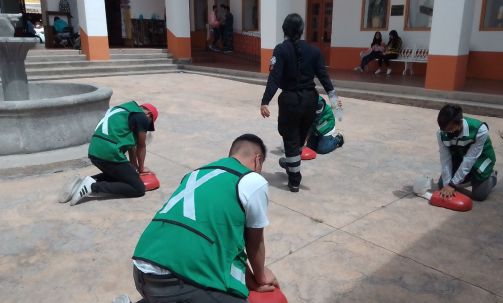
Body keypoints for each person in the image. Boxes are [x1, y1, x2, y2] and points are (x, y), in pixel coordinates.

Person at [131, 134, 279, 303]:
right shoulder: (252, 180)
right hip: (176, 281)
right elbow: (255, 242)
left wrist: (246, 275)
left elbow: (221, 243)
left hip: (142, 268)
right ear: (257, 159)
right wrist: (261, 277)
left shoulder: (196, 174)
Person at [260, 13, 340, 192]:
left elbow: (274, 78)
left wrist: (265, 101)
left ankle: (294, 180)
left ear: (284, 31)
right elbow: (324, 78)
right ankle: (291, 165)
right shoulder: (314, 51)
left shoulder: (280, 50)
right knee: (298, 140)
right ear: (302, 30)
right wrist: (334, 99)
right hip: (310, 100)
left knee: (290, 140)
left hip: (290, 101)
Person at [58, 101, 158, 206]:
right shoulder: (141, 117)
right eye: (148, 125)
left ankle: (84, 182)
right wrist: (141, 169)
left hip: (94, 152)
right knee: (138, 188)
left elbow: (132, 147)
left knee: (125, 174)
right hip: (109, 153)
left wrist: (135, 168)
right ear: (149, 115)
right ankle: (92, 187)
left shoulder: (124, 110)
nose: (145, 129)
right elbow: (141, 146)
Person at [437, 104, 497, 201]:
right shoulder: (441, 133)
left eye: (451, 129)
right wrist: (447, 184)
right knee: (441, 185)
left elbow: (470, 158)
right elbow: (445, 158)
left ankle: (492, 176)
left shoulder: (480, 130)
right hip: (460, 157)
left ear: (460, 123)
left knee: (479, 195)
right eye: (445, 130)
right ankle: (466, 179)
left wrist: (453, 184)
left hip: (480, 160)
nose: (447, 133)